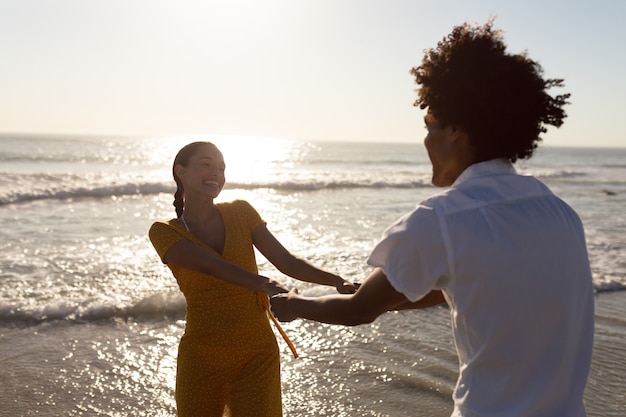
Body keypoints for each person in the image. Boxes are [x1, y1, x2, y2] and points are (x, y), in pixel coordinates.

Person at [270, 21, 594, 417]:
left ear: (456, 130)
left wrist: (296, 304)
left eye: (429, 126)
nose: (425, 141)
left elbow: (358, 310)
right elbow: (477, 284)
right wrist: (396, 288)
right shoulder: (559, 212)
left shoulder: (442, 219)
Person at [148, 141, 357, 417]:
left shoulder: (241, 212)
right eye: (206, 164)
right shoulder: (163, 232)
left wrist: (336, 280)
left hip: (257, 351)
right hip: (203, 354)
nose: (216, 173)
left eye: (221, 168)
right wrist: (266, 284)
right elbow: (211, 265)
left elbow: (287, 261)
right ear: (181, 172)